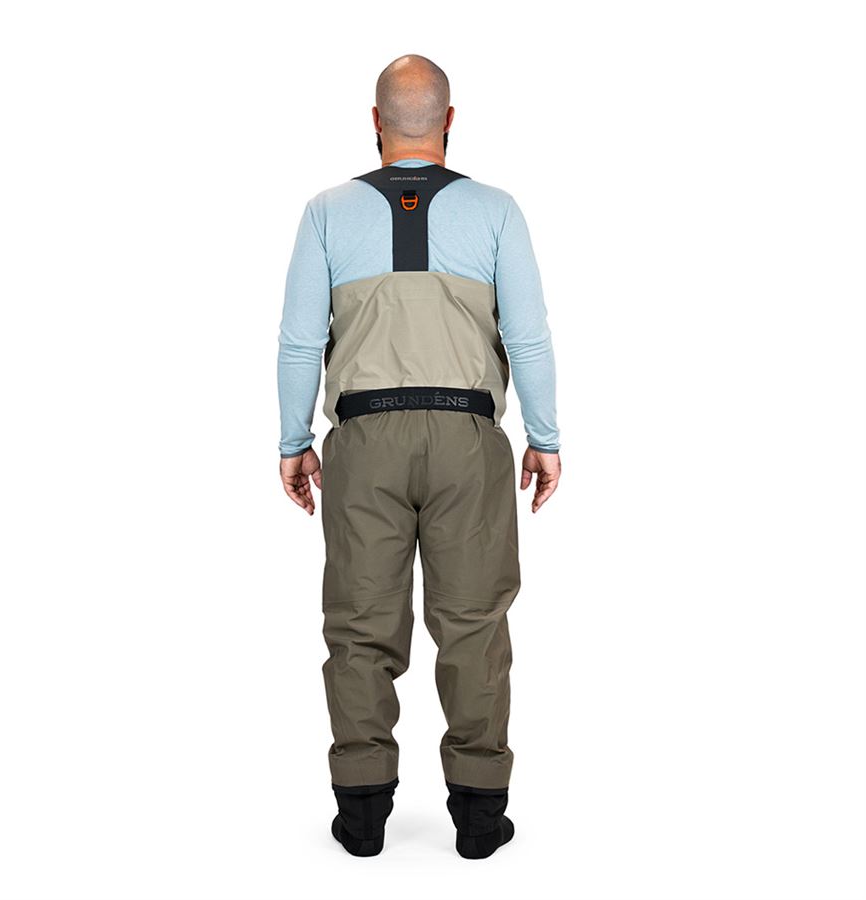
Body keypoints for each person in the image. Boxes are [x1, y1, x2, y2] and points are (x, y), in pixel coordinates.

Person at [276, 54, 561, 859]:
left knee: (359, 625)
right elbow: (527, 337)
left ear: (375, 122)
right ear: (450, 121)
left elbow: (299, 341)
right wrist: (544, 438)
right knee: (474, 625)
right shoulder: (497, 211)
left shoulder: (326, 213)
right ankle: (480, 817)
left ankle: (362, 815)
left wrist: (295, 442)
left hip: (363, 440)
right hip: (468, 440)